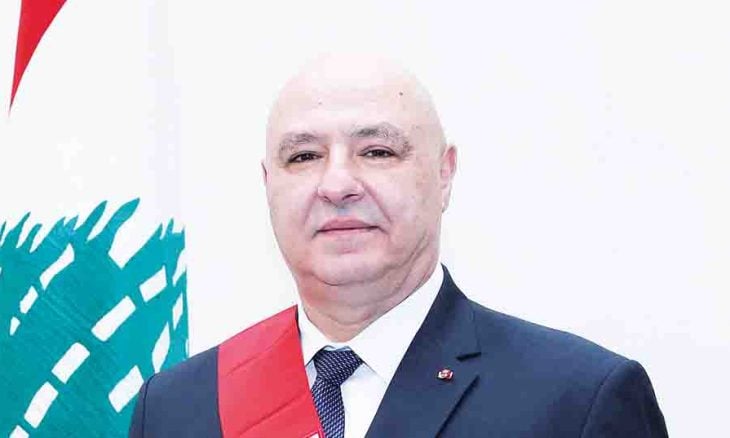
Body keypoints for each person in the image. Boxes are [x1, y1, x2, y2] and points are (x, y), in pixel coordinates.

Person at [129, 55, 668, 437]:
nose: (337, 184)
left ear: (444, 174)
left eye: (378, 151)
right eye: (304, 157)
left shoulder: (577, 401)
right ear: (268, 183)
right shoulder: (178, 408)